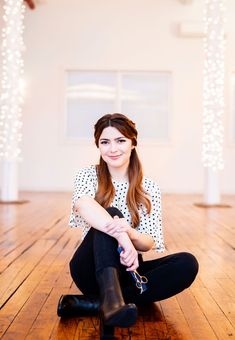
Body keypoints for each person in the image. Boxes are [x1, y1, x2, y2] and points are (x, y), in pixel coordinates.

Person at [57, 113, 199, 331]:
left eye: (120, 140)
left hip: (129, 270)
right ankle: (111, 300)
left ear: (133, 143)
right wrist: (121, 234)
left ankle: (101, 304)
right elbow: (83, 205)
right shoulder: (87, 175)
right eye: (105, 142)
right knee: (111, 212)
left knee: (187, 263)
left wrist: (131, 233)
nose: (112, 149)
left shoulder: (148, 187)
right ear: (98, 146)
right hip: (91, 269)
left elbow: (148, 243)